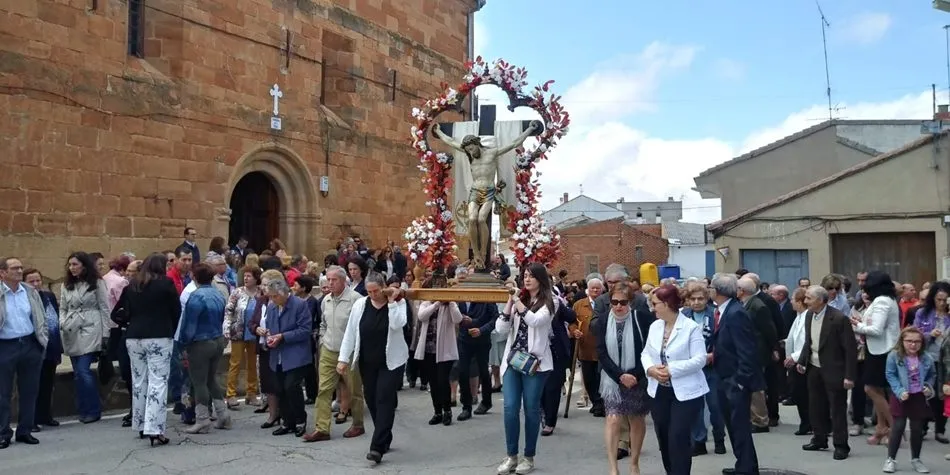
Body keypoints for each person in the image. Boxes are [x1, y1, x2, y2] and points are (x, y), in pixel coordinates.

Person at [337, 272, 408, 464]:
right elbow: (351, 333)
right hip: (367, 362)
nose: (373, 295)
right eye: (369, 292)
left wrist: (392, 302)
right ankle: (383, 435)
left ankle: (376, 447)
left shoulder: (398, 304)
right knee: (372, 399)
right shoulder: (360, 305)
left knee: (384, 398)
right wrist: (343, 359)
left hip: (391, 361)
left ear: (383, 287)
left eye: (376, 291)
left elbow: (398, 324)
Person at [112, 253, 181, 446]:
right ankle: (154, 428)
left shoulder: (132, 285)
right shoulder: (165, 284)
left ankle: (140, 423)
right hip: (159, 336)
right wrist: (170, 329)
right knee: (158, 382)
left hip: (134, 336)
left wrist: (129, 322)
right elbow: (176, 311)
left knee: (139, 381)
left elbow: (116, 312)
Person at [642, 284, 709, 475]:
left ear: (667, 303)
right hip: (659, 390)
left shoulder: (690, 328)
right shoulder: (655, 326)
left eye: (655, 304)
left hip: (685, 393)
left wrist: (673, 370)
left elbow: (700, 359)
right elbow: (646, 352)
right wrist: (651, 369)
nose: (653, 308)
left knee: (677, 437)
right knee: (663, 437)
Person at [496, 263, 555, 474]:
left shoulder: (549, 301)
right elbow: (500, 329)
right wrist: (508, 304)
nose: (527, 279)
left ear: (540, 279)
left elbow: (536, 321)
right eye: (525, 276)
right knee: (510, 407)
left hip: (535, 364)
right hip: (513, 361)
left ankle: (528, 456)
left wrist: (518, 301)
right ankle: (511, 455)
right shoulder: (518, 300)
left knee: (531, 409)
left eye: (531, 276)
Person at [709, 273, 763, 475]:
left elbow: (747, 350)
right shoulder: (723, 311)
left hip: (735, 381)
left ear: (718, 291)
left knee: (739, 427)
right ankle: (744, 464)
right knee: (733, 426)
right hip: (724, 377)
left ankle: (747, 468)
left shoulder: (735, 313)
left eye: (711, 288)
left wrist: (741, 381)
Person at [797, 285, 857, 461]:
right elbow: (808, 341)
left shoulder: (838, 319)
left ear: (821, 300)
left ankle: (841, 445)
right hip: (814, 368)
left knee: (837, 409)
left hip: (834, 370)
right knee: (816, 406)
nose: (805, 301)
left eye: (809, 298)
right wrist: (802, 361)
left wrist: (849, 376)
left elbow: (850, 350)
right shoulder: (809, 315)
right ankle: (819, 438)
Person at [0, 257, 48, 449]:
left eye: (20, 267)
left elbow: (40, 315)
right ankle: (3, 432)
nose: (20, 271)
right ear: (2, 273)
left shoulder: (29, 291)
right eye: (14, 268)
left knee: (29, 390)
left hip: (29, 344)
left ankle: (25, 430)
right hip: (5, 345)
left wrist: (41, 340)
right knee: (3, 393)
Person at [177, 263, 230, 434]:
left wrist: (182, 344)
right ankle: (223, 415)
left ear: (194, 277)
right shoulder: (219, 294)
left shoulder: (195, 296)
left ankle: (202, 419)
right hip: (218, 339)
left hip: (200, 342)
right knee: (211, 379)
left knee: (198, 381)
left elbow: (189, 325)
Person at [59, 251, 110, 424]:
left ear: (84, 265)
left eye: (76, 264)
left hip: (90, 327)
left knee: (83, 370)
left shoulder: (96, 283)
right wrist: (62, 323)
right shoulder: (66, 285)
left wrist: (105, 333)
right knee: (77, 373)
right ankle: (83, 407)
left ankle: (94, 408)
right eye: (70, 265)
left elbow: (104, 307)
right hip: (71, 328)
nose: (72, 268)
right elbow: (63, 307)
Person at [851, 271, 900, 445]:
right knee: (879, 391)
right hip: (879, 350)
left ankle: (895, 428)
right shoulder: (887, 300)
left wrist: (857, 326)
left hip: (882, 351)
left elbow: (876, 330)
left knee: (870, 389)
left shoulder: (882, 302)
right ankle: (881, 428)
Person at [263, 278, 313, 437]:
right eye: (270, 296)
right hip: (277, 354)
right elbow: (270, 328)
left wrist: (283, 336)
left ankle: (300, 419)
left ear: (284, 293)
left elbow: (305, 330)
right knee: (280, 389)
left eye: (275, 296)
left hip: (295, 354)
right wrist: (270, 337)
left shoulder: (299, 305)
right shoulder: (271, 307)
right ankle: (287, 421)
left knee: (291, 386)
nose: (272, 300)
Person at [882, 326, 935, 473]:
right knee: (898, 427)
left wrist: (928, 387)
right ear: (902, 341)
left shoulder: (926, 358)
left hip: (918, 396)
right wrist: (899, 391)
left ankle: (916, 459)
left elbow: (932, 375)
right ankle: (890, 459)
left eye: (917, 342)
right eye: (909, 341)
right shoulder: (894, 356)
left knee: (917, 429)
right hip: (901, 396)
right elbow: (890, 374)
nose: (913, 345)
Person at [415, 297, 463, 426]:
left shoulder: (450, 305)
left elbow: (458, 319)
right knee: (433, 383)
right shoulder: (426, 303)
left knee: (442, 381)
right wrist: (436, 303)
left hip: (444, 351)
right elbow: (421, 316)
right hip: (428, 350)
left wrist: (450, 303)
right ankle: (437, 412)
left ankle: (447, 411)